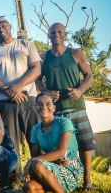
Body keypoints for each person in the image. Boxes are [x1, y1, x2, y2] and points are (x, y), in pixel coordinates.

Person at [35, 23, 97, 192]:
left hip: (77, 107)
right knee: (60, 149)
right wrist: (47, 92)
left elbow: (89, 75)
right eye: (52, 32)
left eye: (59, 31)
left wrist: (80, 90)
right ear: (48, 35)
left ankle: (87, 182)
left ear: (65, 34)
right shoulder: (43, 57)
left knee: (85, 145)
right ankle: (62, 179)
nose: (56, 34)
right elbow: (37, 80)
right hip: (57, 111)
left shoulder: (76, 53)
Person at [0, 17, 42, 190]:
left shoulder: (26, 44)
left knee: (35, 139)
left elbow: (36, 69)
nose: (0, 29)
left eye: (3, 26)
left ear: (10, 26)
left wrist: (18, 87)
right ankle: (15, 179)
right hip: (4, 102)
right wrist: (11, 91)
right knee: (12, 143)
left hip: (28, 99)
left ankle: (38, 174)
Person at [22, 92, 84, 193]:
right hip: (51, 165)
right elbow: (35, 156)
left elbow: (61, 153)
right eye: (40, 104)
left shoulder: (64, 122)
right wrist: (33, 162)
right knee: (29, 187)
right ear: (35, 106)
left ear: (54, 108)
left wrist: (33, 160)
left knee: (36, 164)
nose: (43, 107)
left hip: (69, 166)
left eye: (48, 104)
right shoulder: (36, 129)